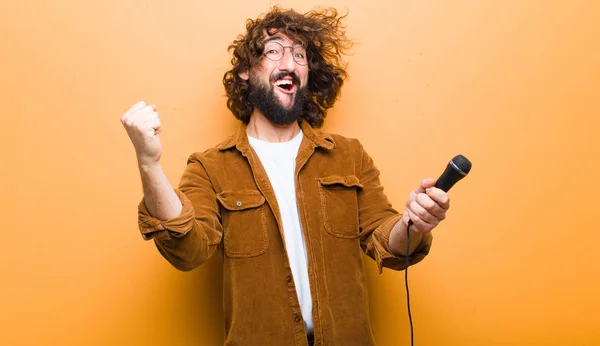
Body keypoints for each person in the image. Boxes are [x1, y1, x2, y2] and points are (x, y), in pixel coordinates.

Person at [121, 7, 449, 346]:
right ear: (247, 70)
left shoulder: (349, 156)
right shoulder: (210, 167)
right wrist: (149, 164)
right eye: (274, 51)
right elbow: (188, 249)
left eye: (299, 55)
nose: (289, 63)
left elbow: (387, 244)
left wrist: (414, 222)